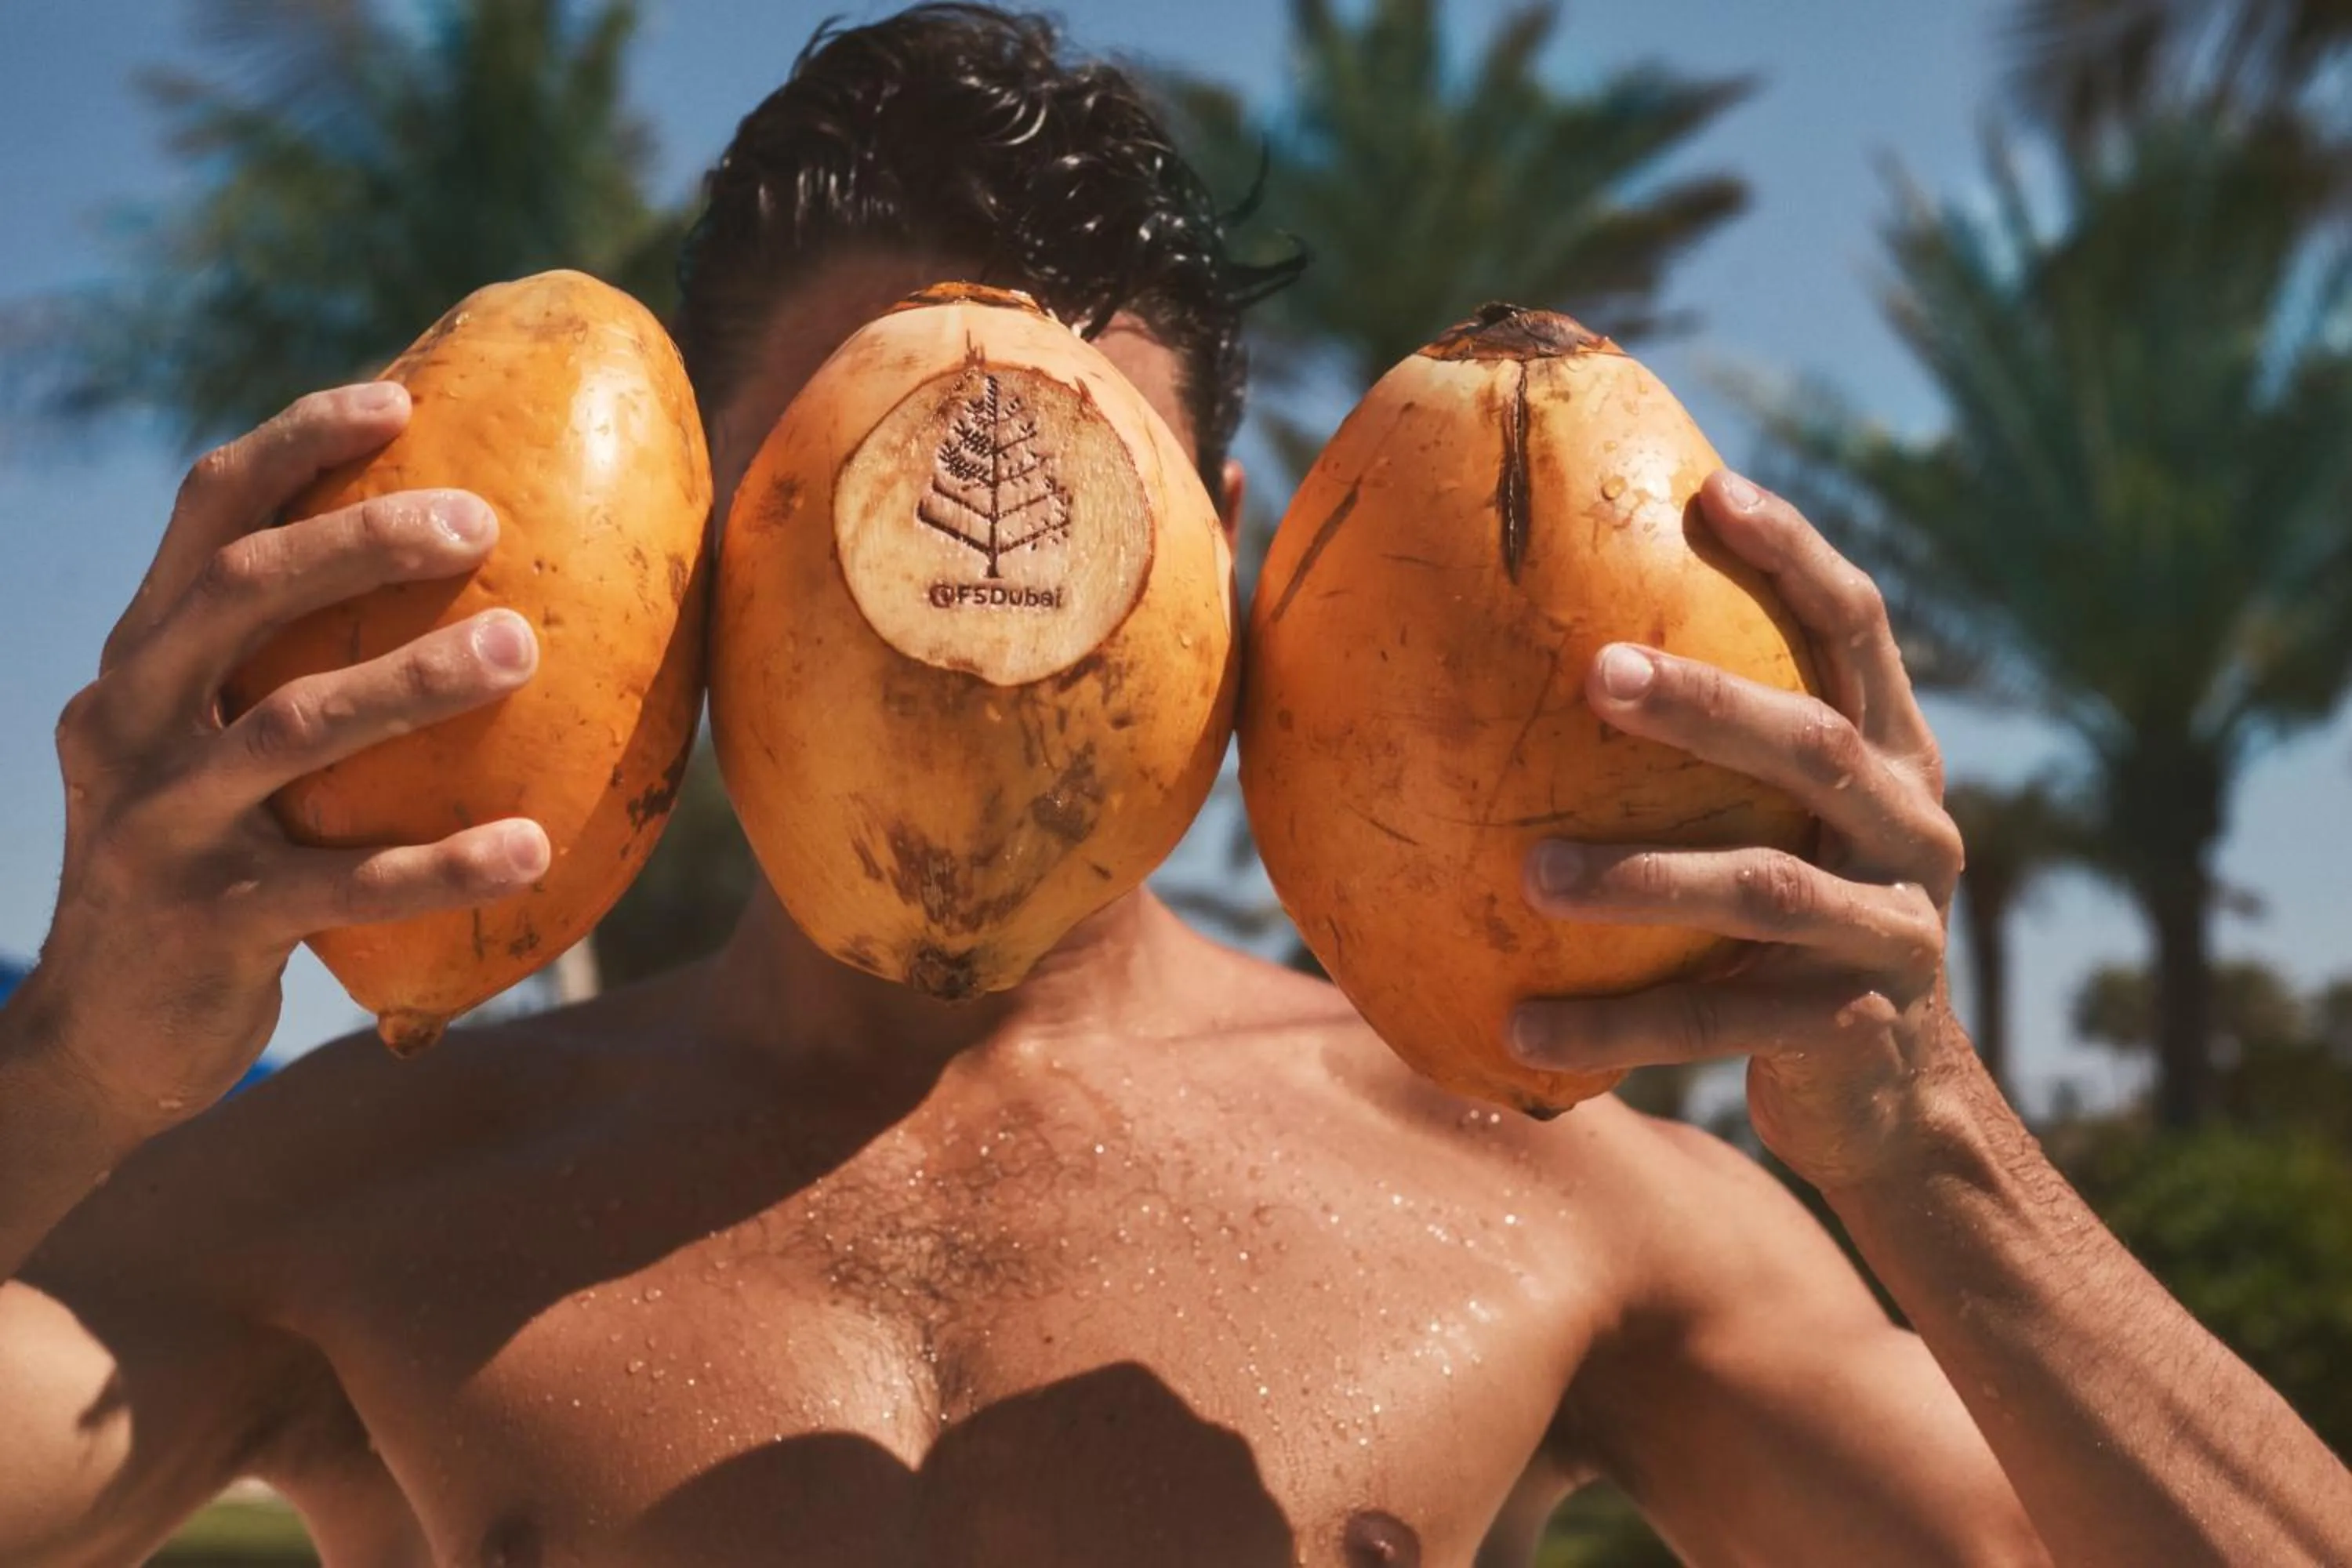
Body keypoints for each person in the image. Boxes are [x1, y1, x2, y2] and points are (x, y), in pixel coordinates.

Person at [1, 6, 2343, 1564]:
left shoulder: (1529, 1177)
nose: (968, 591)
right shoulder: (383, 1180)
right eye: (862, 477)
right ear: (678, 555)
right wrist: (73, 1077)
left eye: (1064, 501)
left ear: (1227, 575)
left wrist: (1933, 1145)